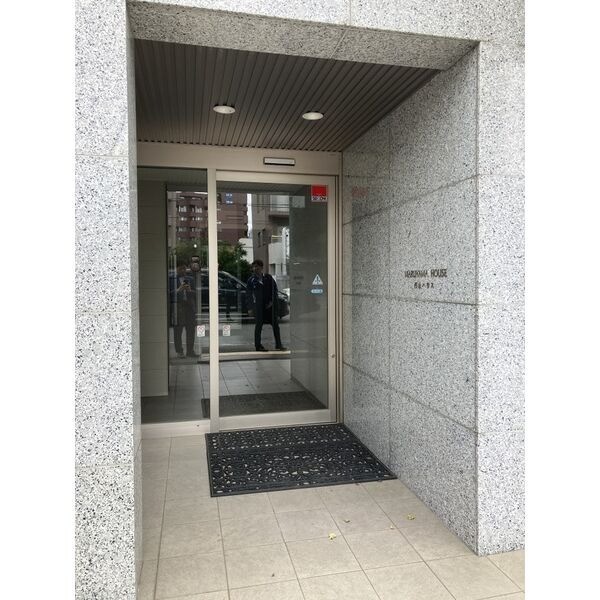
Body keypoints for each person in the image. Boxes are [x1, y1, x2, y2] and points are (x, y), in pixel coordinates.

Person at [246, 259, 287, 352]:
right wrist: (250, 308)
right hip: (258, 307)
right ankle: (258, 346)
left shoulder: (268, 278)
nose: (255, 269)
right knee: (258, 326)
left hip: (269, 306)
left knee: (275, 325)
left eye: (257, 267)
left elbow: (274, 290)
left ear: (261, 267)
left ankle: (278, 344)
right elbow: (248, 295)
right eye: (253, 267)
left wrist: (272, 301)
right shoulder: (251, 280)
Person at [169, 261, 199, 359]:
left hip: (189, 307)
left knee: (191, 330)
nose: (183, 270)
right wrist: (179, 289)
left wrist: (189, 290)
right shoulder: (172, 279)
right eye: (180, 268)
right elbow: (169, 294)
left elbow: (196, 294)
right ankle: (179, 351)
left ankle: (190, 351)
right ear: (176, 269)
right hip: (178, 306)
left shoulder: (190, 279)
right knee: (178, 330)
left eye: (184, 268)